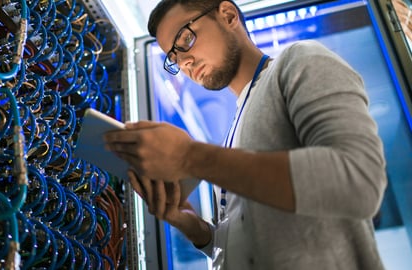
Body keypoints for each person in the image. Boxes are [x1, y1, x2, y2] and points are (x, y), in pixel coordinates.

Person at [104, 0, 388, 269]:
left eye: (186, 40)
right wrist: (193, 226)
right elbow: (245, 243)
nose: (185, 63)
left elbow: (358, 179)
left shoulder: (299, 61)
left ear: (228, 15)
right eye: (174, 58)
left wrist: (191, 156)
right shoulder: (232, 133)